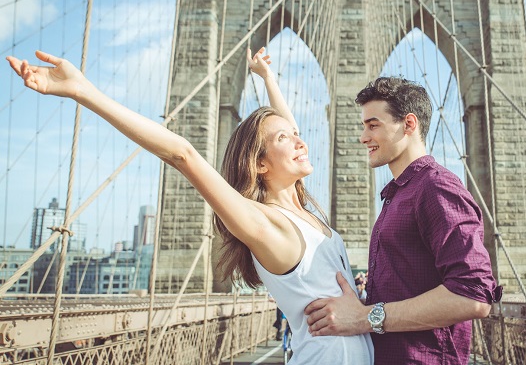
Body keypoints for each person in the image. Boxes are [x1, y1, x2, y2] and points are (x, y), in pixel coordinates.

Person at [6, 48, 374, 365]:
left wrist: (268, 77)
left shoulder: (305, 212)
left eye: (297, 137)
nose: (300, 142)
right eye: (285, 139)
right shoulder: (266, 224)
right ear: (260, 164)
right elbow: (183, 153)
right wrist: (83, 91)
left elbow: (288, 128)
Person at [304, 76, 502, 364]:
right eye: (363, 126)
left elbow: (473, 296)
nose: (363, 137)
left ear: (409, 124)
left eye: (373, 125)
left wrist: (363, 317)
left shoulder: (436, 187)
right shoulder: (399, 195)